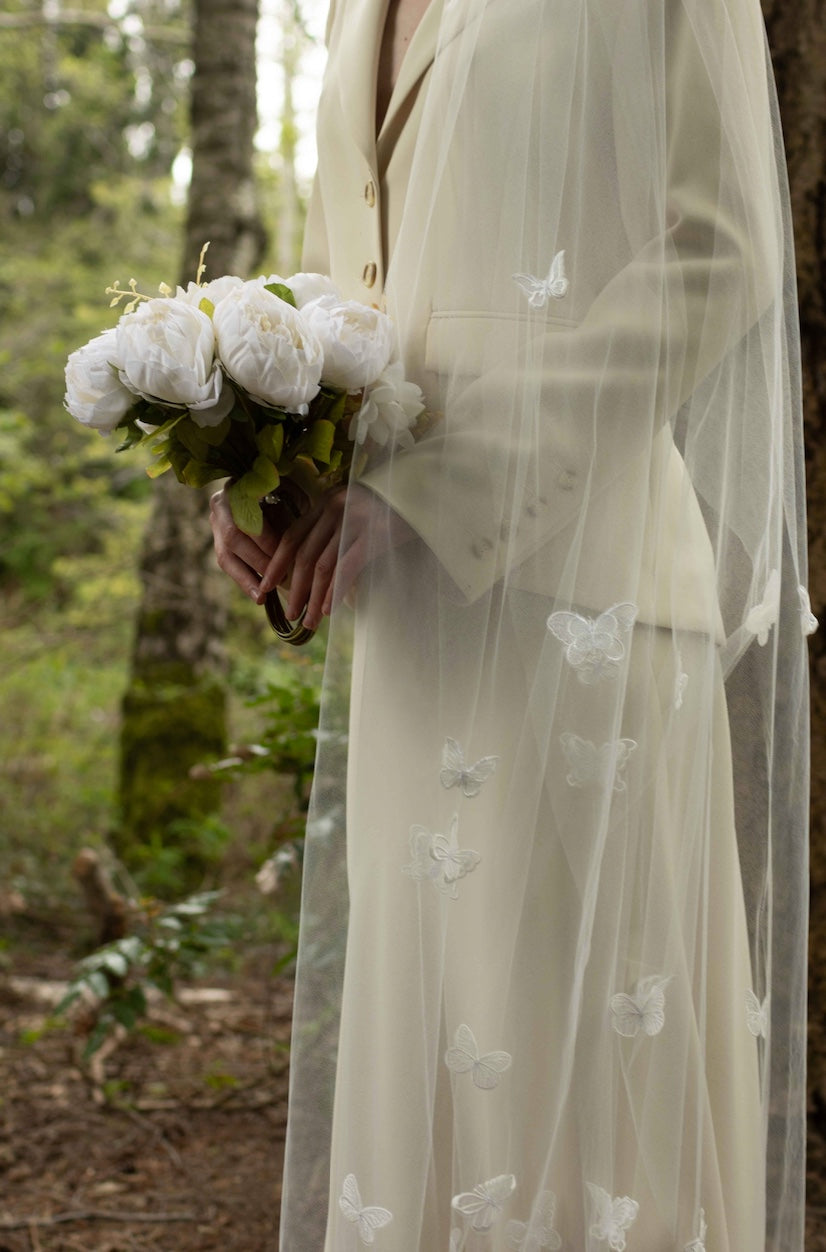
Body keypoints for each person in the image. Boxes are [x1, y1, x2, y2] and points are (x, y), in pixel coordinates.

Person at [210, 0, 812, 1248]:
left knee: (576, 1096)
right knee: (435, 1079)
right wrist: (267, 467)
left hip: (581, 600)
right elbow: (343, 271)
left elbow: (722, 245)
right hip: (404, 615)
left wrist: (448, 488)